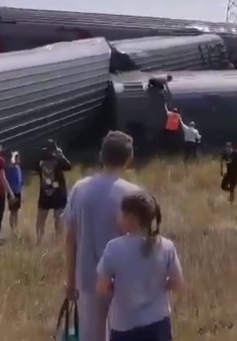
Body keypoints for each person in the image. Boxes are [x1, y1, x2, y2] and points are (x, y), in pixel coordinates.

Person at [64, 131, 143, 341]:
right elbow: (139, 243)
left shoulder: (79, 189)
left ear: (101, 156)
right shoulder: (132, 194)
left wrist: (70, 280)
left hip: (87, 279)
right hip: (122, 281)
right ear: (129, 159)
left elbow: (71, 238)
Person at [96, 192, 184, 341]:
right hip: (158, 323)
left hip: (125, 325)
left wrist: (115, 287)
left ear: (131, 218)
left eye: (121, 215)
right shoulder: (166, 246)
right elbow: (178, 284)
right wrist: (161, 284)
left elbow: (102, 288)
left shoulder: (114, 248)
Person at [36, 140, 72, 244]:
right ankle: (58, 240)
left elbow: (34, 166)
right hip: (58, 193)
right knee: (58, 218)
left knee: (41, 219)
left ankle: (39, 240)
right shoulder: (58, 159)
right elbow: (68, 166)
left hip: (45, 192)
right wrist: (61, 154)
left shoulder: (40, 160)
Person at [5, 151, 23, 235]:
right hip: (12, 192)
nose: (19, 159)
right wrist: (13, 155)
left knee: (16, 211)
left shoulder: (17, 167)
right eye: (17, 157)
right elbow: (11, 163)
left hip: (18, 192)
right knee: (13, 212)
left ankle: (16, 228)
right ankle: (13, 230)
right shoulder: (11, 167)